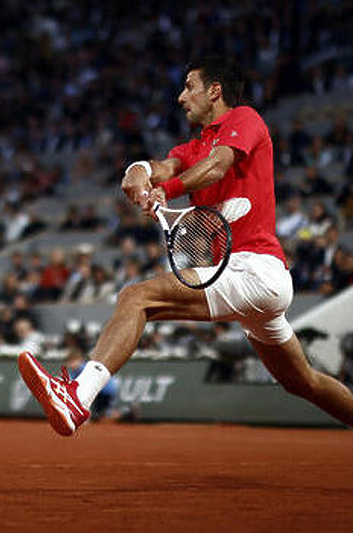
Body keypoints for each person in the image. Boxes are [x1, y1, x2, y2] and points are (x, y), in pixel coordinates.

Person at [18, 56, 353, 437]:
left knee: (136, 297)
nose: (180, 97)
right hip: (250, 285)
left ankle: (78, 396)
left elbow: (217, 166)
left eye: (189, 86)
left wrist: (165, 191)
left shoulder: (244, 118)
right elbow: (161, 167)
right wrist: (138, 173)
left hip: (255, 270)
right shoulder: (192, 148)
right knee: (302, 382)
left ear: (215, 91)